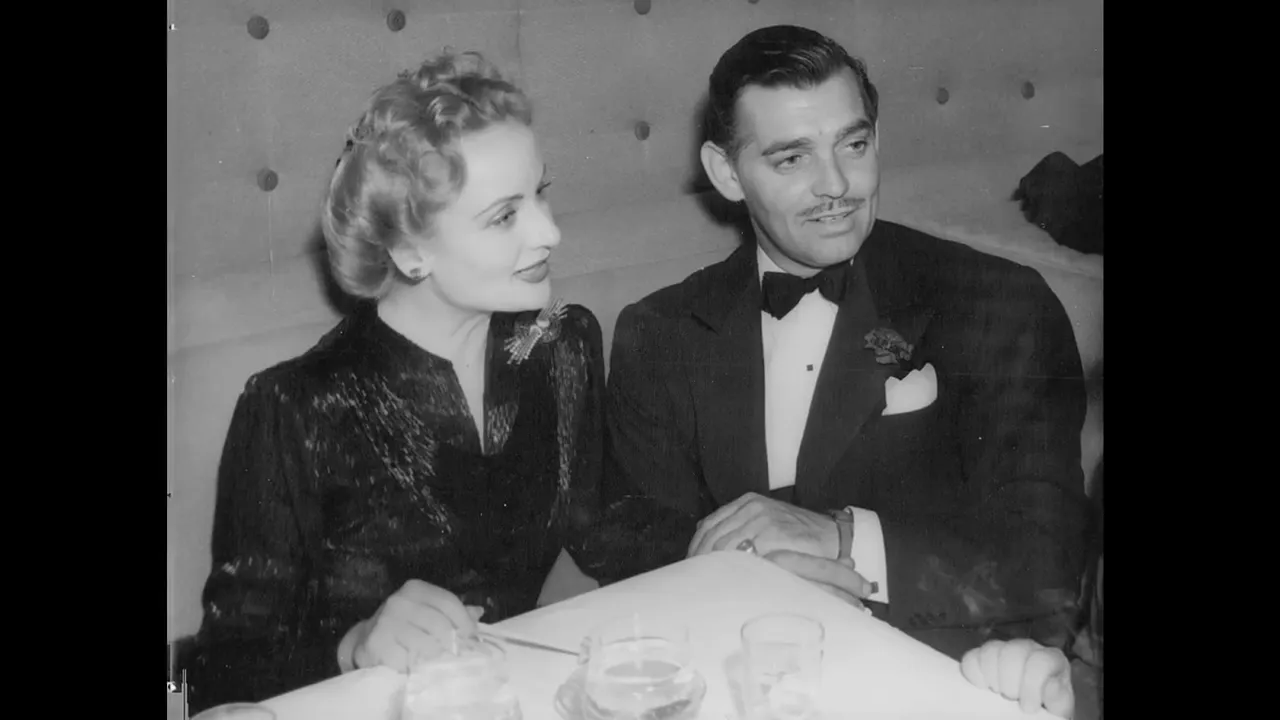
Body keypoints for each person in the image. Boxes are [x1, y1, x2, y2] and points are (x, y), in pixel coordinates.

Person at [182, 51, 694, 713]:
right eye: (504, 216)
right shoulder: (295, 407)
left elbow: (607, 524)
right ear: (408, 251)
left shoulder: (561, 347)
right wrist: (355, 643)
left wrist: (740, 546)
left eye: (540, 192)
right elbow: (224, 668)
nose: (551, 232)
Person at [605, 25, 1091, 659]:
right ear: (726, 173)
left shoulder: (1000, 303)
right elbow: (635, 540)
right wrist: (747, 582)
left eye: (853, 144)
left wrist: (843, 539)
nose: (836, 184)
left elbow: (1045, 562)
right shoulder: (658, 331)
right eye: (792, 158)